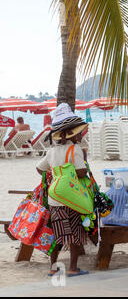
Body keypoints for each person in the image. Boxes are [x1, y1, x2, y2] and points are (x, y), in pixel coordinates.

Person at [36, 103, 89, 277]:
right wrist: (82, 162)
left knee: (57, 233)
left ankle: (54, 267)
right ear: (72, 132)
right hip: (72, 198)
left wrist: (54, 173)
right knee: (75, 233)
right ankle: (73, 268)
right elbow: (82, 172)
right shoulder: (75, 149)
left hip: (55, 197)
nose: (80, 134)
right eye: (78, 132)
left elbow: (39, 169)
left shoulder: (52, 151)